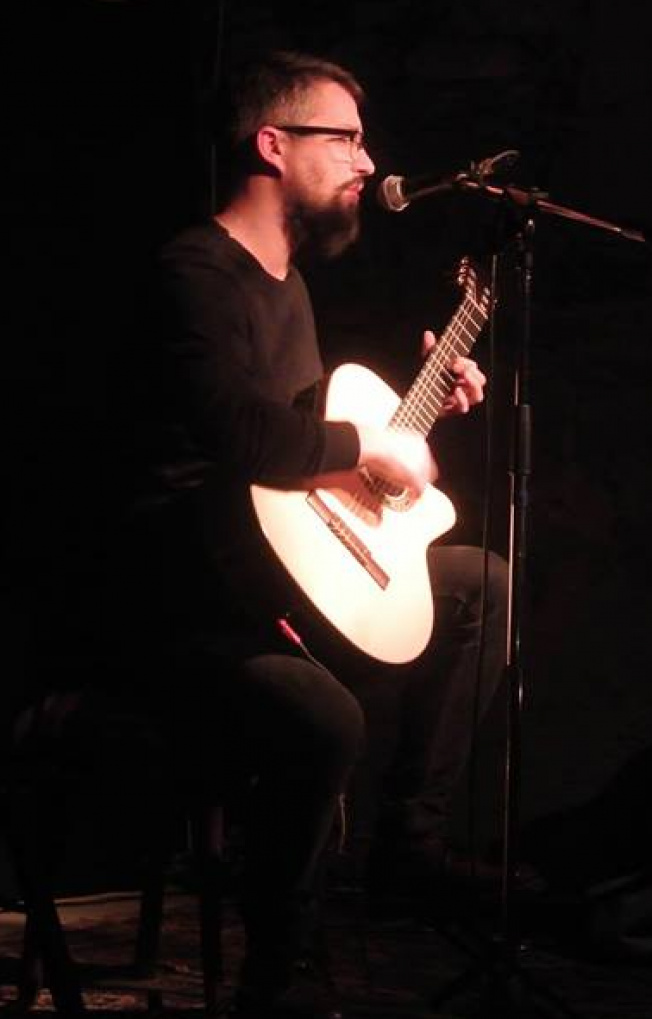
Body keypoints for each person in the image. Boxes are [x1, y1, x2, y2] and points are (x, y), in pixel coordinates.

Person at [101, 50, 508, 1019]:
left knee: (482, 581)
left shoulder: (289, 287)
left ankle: (408, 842)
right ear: (272, 144)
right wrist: (370, 445)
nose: (368, 161)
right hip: (185, 599)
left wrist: (414, 423)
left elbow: (300, 463)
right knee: (323, 715)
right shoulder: (194, 273)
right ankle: (278, 974)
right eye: (347, 139)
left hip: (266, 576)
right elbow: (241, 435)